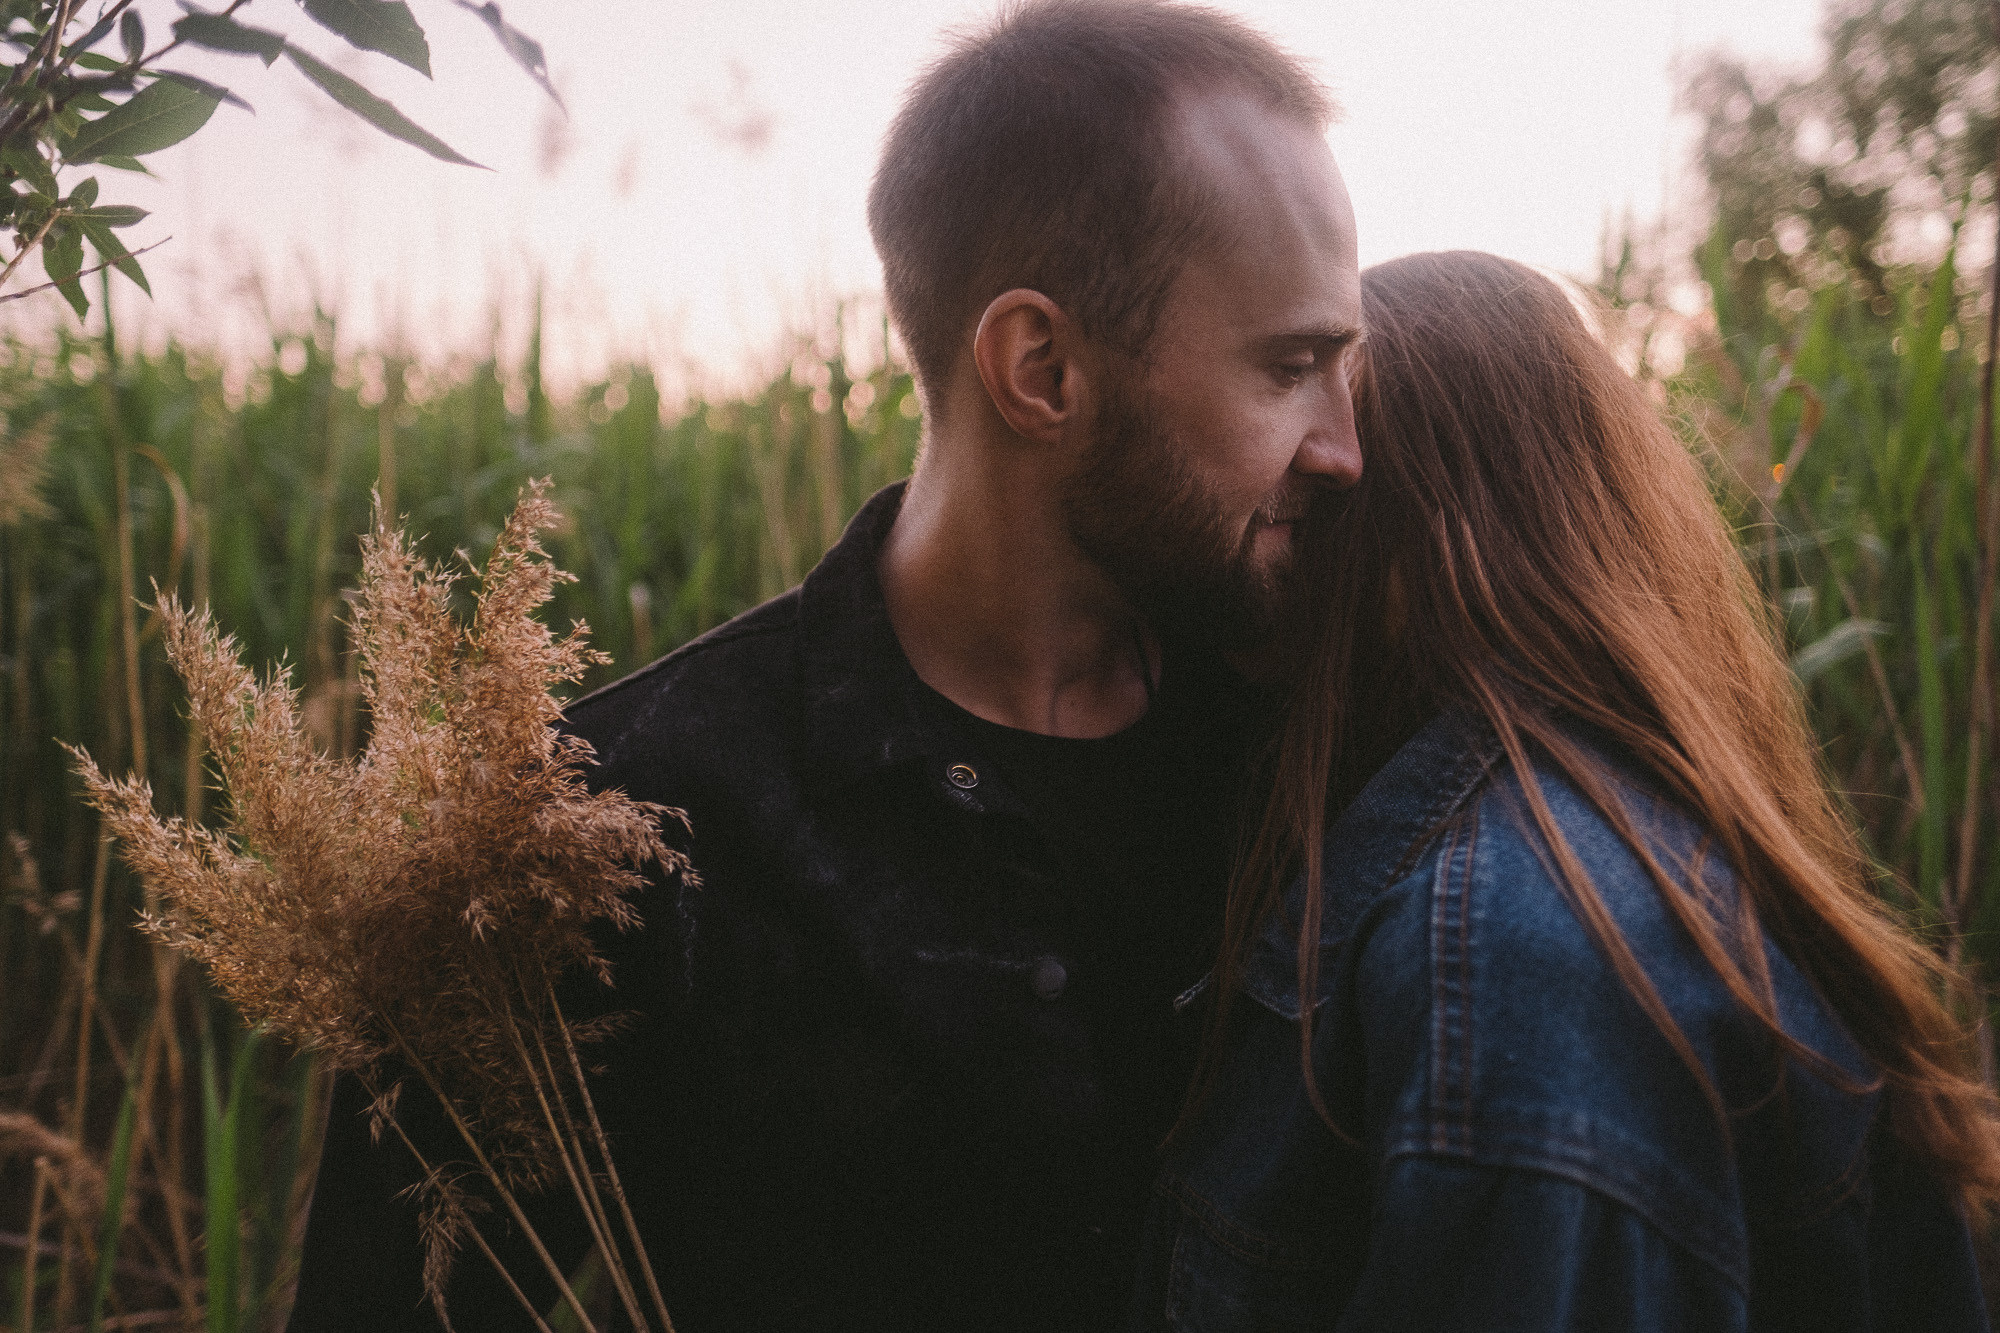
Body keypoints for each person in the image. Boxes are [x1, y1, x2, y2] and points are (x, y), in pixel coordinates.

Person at [285, 3, 1364, 1329]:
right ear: (1043, 369)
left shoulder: (1317, 745)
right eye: (1293, 367)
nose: (1343, 445)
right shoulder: (599, 829)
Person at [1134, 250, 2000, 1332]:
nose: (1267, 531)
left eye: (1312, 498)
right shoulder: (1615, 840)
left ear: (1416, 526)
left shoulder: (1507, 961)